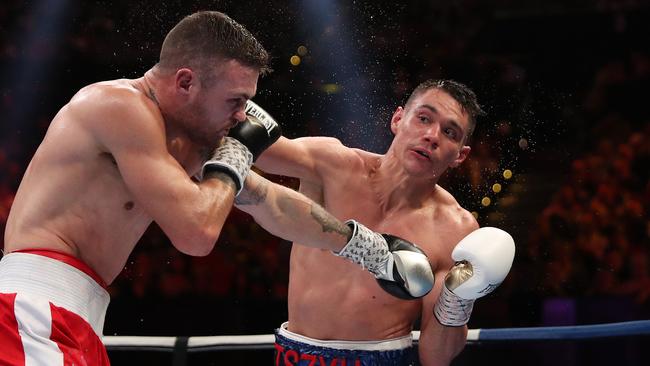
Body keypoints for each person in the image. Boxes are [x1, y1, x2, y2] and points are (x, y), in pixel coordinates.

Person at [0, 11, 434, 365]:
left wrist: (368, 249)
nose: (243, 114)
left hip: (73, 317)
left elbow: (272, 200)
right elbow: (195, 232)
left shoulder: (183, 141)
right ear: (186, 81)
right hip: (32, 310)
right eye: (235, 100)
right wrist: (236, 155)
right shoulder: (117, 107)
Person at [250, 79, 516, 366]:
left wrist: (457, 299)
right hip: (294, 356)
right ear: (398, 119)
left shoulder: (455, 229)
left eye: (450, 132)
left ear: (459, 156)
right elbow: (260, 152)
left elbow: (435, 358)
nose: (432, 135)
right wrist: (222, 98)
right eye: (423, 118)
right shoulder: (333, 164)